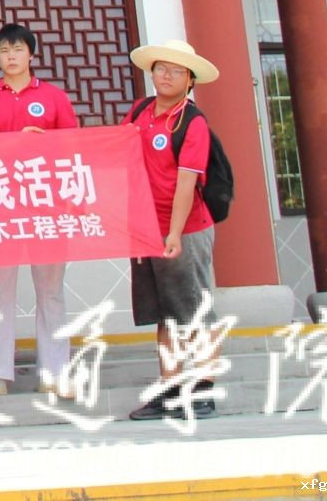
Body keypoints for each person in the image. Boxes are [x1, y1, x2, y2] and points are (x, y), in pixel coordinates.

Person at [0, 24, 80, 400]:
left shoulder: (53, 97)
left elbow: (71, 148)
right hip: (1, 206)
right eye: (4, 50)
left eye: (17, 49)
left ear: (31, 54)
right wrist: (20, 143)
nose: (11, 56)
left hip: (47, 206)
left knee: (51, 291)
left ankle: (56, 372)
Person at [123, 40, 222, 423]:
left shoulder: (192, 122)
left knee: (194, 309)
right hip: (148, 228)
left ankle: (205, 387)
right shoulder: (140, 111)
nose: (166, 76)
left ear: (190, 80)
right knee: (166, 312)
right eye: (161, 68)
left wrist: (175, 233)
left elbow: (186, 183)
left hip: (185, 229)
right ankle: (170, 388)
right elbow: (115, 152)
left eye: (176, 71)